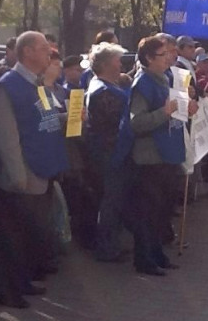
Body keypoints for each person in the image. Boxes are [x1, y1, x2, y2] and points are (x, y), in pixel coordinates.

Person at [0, 31, 69, 308]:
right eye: (45, 48)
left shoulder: (38, 83)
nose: (50, 53)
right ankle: (7, 291)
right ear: (28, 53)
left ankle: (21, 281)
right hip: (22, 175)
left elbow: (46, 118)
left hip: (42, 169)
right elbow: (6, 134)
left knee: (29, 235)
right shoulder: (8, 85)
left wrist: (70, 117)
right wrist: (17, 175)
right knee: (12, 236)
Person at [130, 36, 193, 276]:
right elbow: (137, 123)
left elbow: (176, 108)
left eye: (170, 53)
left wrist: (188, 108)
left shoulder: (166, 78)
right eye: (163, 54)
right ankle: (144, 259)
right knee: (148, 212)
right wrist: (164, 112)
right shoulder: (143, 83)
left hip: (167, 153)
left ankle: (157, 254)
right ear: (148, 58)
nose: (169, 57)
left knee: (162, 211)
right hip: (150, 157)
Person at [85, 42, 134, 262]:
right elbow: (116, 122)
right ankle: (106, 247)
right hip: (109, 153)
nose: (120, 64)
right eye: (117, 60)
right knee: (110, 201)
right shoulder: (103, 91)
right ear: (106, 64)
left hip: (113, 151)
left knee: (113, 199)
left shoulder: (106, 86)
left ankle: (110, 242)